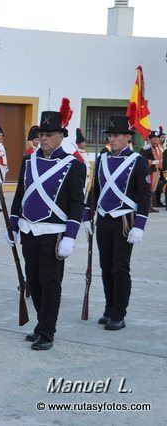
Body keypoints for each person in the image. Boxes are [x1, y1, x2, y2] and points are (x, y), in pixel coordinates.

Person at [7, 99, 86, 351]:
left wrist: (70, 236)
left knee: (50, 282)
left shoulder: (73, 165)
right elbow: (20, 194)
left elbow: (77, 203)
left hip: (54, 233)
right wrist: (14, 223)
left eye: (49, 135)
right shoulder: (29, 161)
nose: (43, 139)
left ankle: (47, 331)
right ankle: (41, 324)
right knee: (34, 280)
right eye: (41, 134)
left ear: (61, 136)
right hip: (30, 230)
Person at [83, 115, 150, 330]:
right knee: (105, 265)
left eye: (116, 135)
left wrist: (139, 225)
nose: (112, 139)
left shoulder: (137, 161)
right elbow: (95, 190)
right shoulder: (103, 159)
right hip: (104, 218)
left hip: (124, 220)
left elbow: (144, 196)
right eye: (110, 135)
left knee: (120, 268)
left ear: (128, 137)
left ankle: (119, 313)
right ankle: (109, 306)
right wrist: (87, 215)